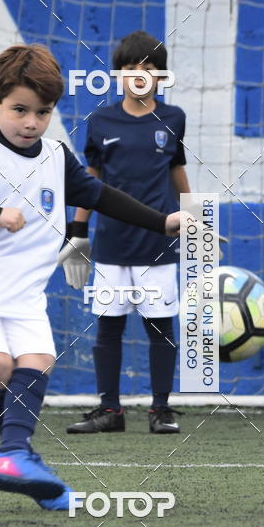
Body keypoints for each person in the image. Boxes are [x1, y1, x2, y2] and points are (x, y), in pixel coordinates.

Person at [0, 43, 185, 512]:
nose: (31, 123)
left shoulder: (56, 156)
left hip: (21, 291)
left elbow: (102, 195)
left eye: (43, 112)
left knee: (38, 361)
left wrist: (163, 221)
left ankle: (17, 457)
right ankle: (18, 455)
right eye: (19, 110)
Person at [62, 30, 190, 436]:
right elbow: (90, 179)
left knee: (160, 327)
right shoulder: (100, 121)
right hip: (112, 244)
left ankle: (161, 410)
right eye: (130, 68)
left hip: (159, 243)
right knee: (108, 326)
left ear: (161, 76)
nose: (139, 75)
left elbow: (177, 170)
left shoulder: (173, 119)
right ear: (118, 75)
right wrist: (78, 230)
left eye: (148, 69)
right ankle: (110, 412)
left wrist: (197, 218)